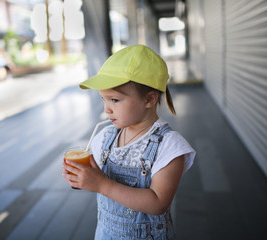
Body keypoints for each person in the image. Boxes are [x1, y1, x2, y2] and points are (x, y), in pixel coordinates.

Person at [62, 44, 195, 239]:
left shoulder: (169, 145)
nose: (107, 109)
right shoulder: (105, 137)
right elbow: (96, 177)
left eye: (114, 100)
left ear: (149, 99)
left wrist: (101, 185)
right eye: (103, 99)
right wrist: (84, 177)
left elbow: (158, 203)